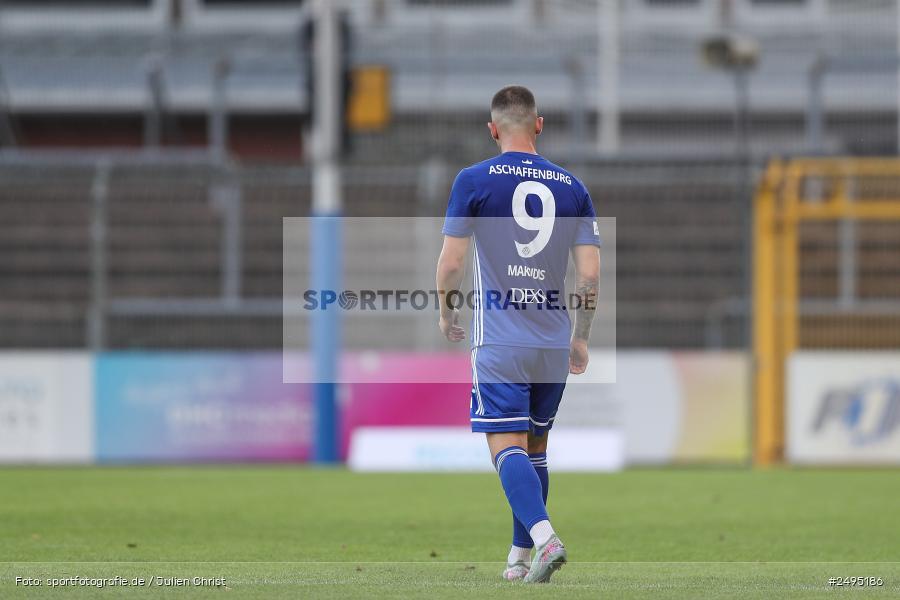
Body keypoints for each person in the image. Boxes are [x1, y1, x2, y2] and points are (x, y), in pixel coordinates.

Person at [435, 85, 601, 583]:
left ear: (492, 130)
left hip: (501, 339)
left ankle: (546, 538)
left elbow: (452, 263)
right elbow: (590, 276)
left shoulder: (473, 181)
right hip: (552, 341)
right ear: (539, 125)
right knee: (536, 449)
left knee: (504, 446)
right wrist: (581, 336)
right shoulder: (572, 187)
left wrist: (446, 314)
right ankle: (519, 558)